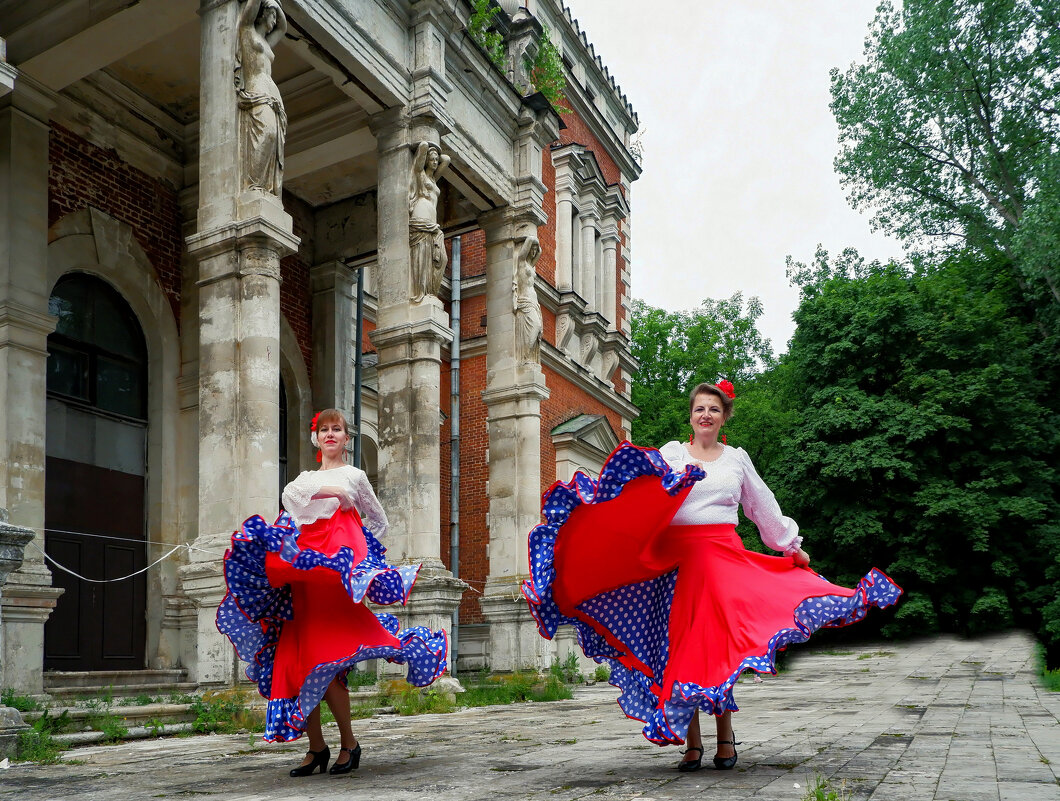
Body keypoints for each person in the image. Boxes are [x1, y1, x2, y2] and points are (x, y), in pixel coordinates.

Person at [523, 380, 901, 772]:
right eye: (700, 408)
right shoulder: (671, 455)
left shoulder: (737, 459)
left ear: (724, 417)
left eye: (714, 409)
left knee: (721, 650)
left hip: (722, 561)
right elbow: (638, 495)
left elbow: (763, 508)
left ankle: (725, 737)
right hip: (678, 564)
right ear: (691, 415)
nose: (706, 415)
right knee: (684, 650)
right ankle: (692, 742)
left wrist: (791, 546)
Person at [216, 409, 448, 776]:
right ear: (316, 438)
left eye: (336, 429)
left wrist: (357, 549)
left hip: (335, 580)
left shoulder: (355, 475)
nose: (329, 434)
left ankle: (349, 744)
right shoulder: (306, 478)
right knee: (299, 663)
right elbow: (291, 496)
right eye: (323, 429)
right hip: (305, 580)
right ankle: (316, 748)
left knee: (330, 660)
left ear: (346, 437)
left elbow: (380, 521)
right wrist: (333, 491)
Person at [236, 0, 288, 194]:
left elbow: (283, 28)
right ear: (263, 13)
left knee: (273, 140)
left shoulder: (266, 42)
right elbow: (249, 10)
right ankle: (254, 184)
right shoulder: (247, 30)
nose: (274, 21)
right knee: (266, 134)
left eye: (275, 16)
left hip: (273, 96)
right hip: (256, 90)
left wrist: (276, 5)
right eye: (272, 15)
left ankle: (265, 187)